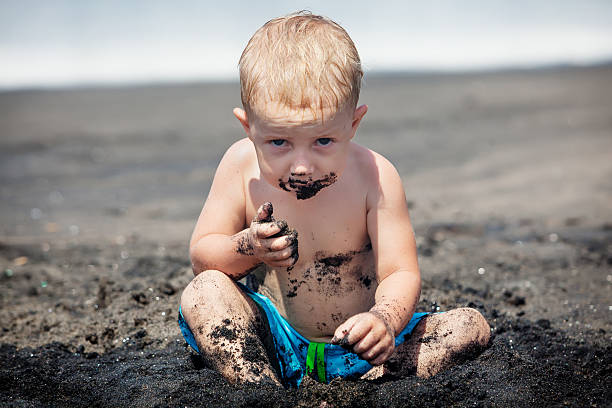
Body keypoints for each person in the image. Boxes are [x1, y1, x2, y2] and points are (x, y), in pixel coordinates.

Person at [179, 11, 490, 387]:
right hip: (276, 340)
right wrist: (249, 246)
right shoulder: (240, 167)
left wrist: (385, 320)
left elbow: (400, 272)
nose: (302, 166)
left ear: (353, 124)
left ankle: (371, 385)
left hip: (363, 349)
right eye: (278, 142)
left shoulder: (376, 176)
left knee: (469, 326)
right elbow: (203, 260)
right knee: (203, 293)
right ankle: (260, 388)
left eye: (323, 141)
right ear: (249, 127)